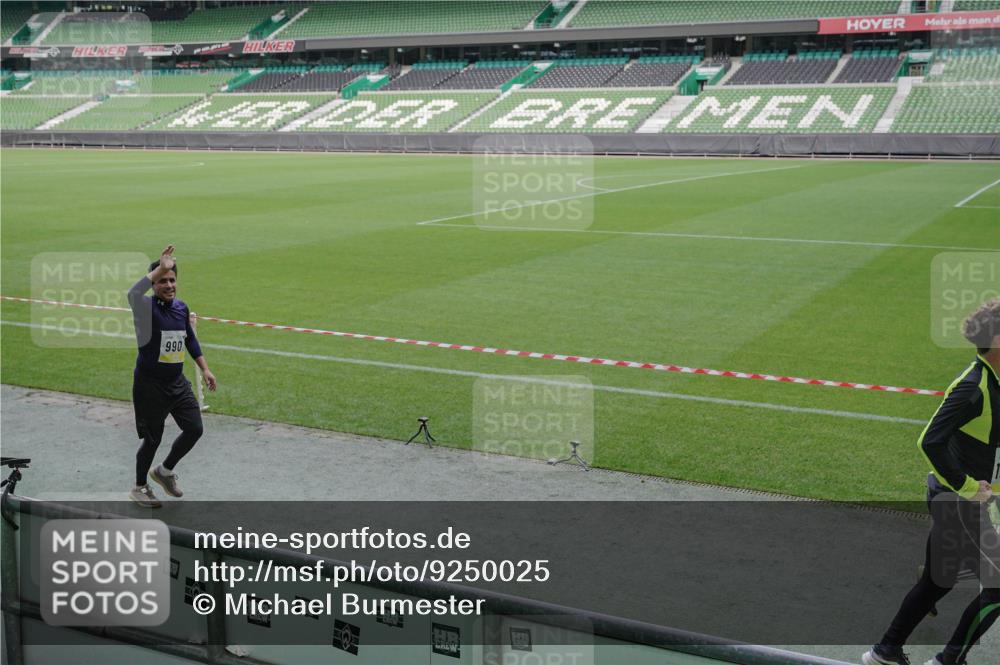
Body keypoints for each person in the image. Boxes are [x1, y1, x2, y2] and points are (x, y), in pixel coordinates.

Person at [863, 299, 1000, 665]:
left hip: (965, 499)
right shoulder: (974, 387)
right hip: (958, 502)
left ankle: (885, 652)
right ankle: (948, 660)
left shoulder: (996, 380)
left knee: (938, 581)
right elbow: (930, 440)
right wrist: (968, 487)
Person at [127, 245, 216, 507]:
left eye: (172, 279)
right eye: (163, 280)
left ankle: (164, 472)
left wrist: (205, 368)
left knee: (194, 429)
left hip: (177, 383)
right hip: (150, 386)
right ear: (154, 283)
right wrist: (159, 268)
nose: (169, 284)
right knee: (152, 439)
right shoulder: (145, 308)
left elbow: (189, 340)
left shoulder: (181, 308)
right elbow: (132, 293)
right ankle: (139, 487)